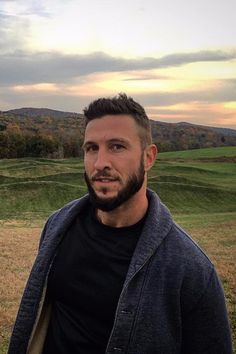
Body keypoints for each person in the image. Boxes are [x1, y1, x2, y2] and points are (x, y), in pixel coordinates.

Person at [8, 93, 232, 354]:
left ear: (148, 157)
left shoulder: (191, 270)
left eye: (117, 146)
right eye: (92, 148)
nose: (101, 163)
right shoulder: (57, 226)